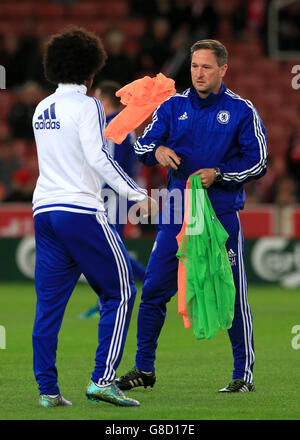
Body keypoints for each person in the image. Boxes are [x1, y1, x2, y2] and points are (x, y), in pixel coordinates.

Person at [116, 39, 267, 393]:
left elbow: (258, 161)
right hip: (177, 213)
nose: (198, 73)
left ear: (223, 70)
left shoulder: (242, 110)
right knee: (153, 289)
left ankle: (242, 374)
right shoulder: (171, 106)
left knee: (231, 293)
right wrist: (158, 149)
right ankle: (144, 369)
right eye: (195, 66)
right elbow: (140, 146)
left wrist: (221, 174)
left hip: (220, 213)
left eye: (206, 67)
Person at [31, 27, 157, 408]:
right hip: (80, 210)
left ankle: (48, 391)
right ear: (91, 69)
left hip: (44, 211)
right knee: (121, 291)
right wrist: (138, 195)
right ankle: (102, 379)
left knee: (49, 306)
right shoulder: (87, 105)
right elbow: (98, 158)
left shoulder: (41, 108)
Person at [78, 80, 146, 319]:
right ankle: (139, 286)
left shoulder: (112, 124)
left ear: (104, 99)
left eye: (96, 98)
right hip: (119, 193)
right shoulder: (124, 125)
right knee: (111, 246)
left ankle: (149, 283)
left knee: (109, 246)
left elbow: (109, 164)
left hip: (111, 195)